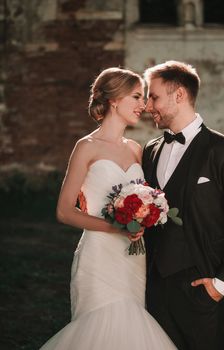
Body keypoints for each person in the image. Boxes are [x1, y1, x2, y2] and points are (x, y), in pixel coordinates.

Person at [39, 67, 176, 350]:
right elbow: (65, 211)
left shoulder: (137, 149)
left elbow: (149, 198)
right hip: (99, 255)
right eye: (137, 96)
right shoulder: (86, 147)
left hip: (133, 257)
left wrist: (145, 218)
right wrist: (116, 226)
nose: (143, 105)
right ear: (114, 99)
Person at [142, 60, 224, 350]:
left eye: (153, 96)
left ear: (178, 95)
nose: (147, 104)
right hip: (153, 285)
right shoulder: (151, 150)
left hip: (201, 284)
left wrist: (221, 285)